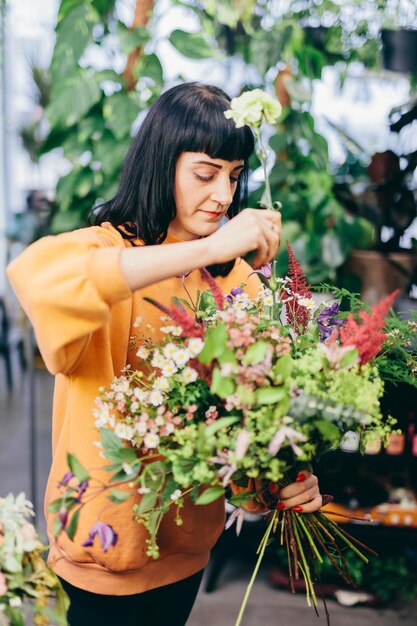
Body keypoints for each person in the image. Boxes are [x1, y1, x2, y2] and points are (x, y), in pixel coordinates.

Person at [7, 83, 322, 626]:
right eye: (206, 173)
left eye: (234, 174)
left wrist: (278, 479)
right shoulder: (107, 250)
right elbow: (39, 277)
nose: (224, 194)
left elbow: (244, 418)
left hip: (186, 549)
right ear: (161, 163)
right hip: (102, 551)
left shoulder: (237, 282)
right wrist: (211, 248)